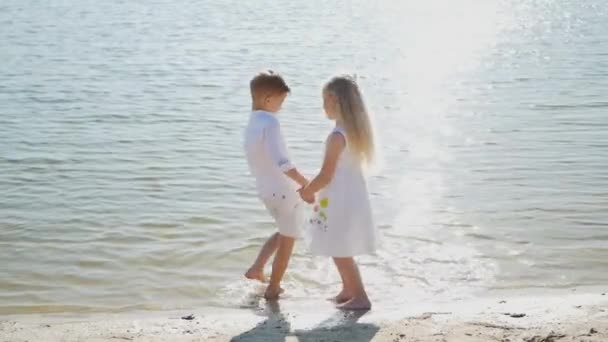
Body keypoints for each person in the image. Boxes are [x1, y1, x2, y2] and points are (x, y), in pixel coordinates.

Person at [298, 75, 377, 310]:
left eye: (324, 100)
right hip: (350, 195)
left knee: (340, 247)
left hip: (338, 197)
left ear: (333, 99)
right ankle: (348, 290)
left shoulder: (337, 136)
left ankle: (361, 297)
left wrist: (308, 190)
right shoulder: (353, 132)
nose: (322, 105)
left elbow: (326, 174)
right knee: (337, 244)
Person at [243, 70, 309, 300]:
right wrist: (305, 183)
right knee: (289, 239)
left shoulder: (252, 122)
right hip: (283, 190)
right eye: (281, 101)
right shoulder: (270, 122)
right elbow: (282, 161)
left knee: (284, 230)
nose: (281, 106)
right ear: (267, 99)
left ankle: (257, 268)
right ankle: (274, 287)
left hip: (265, 190)